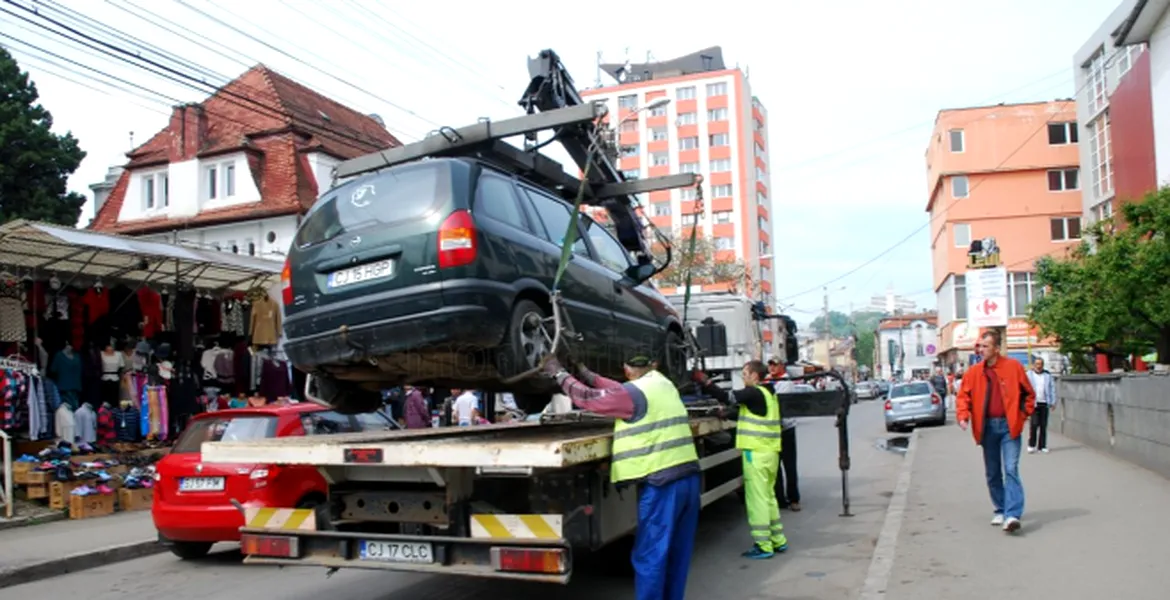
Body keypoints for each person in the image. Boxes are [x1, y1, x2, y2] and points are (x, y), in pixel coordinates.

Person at [542, 354, 701, 600]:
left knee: (650, 555)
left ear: (627, 371)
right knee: (677, 553)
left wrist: (559, 374)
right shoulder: (662, 384)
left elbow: (588, 399)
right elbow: (617, 390)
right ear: (651, 367)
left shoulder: (632, 395)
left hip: (663, 484)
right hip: (688, 478)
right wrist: (587, 375)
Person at [695, 360, 788, 559]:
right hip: (770, 452)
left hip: (756, 453)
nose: (743, 377)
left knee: (757, 500)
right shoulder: (768, 393)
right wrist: (725, 414)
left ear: (755, 376)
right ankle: (778, 540)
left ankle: (763, 545)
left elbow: (727, 396)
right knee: (768, 497)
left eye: (745, 373)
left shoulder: (753, 392)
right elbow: (748, 414)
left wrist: (705, 382)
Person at [956, 330, 1036, 533]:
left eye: (985, 346)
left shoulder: (1013, 367)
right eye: (979, 346)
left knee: (1010, 469)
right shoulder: (974, 372)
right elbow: (963, 396)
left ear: (996, 348)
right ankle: (1000, 508)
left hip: (1010, 427)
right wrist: (963, 416)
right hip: (987, 427)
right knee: (993, 472)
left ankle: (1012, 514)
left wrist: (1022, 416)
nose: (981, 350)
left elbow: (1028, 394)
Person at [765, 361, 800, 512]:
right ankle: (779, 499)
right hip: (772, 429)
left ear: (782, 367)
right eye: (770, 365)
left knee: (789, 465)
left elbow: (776, 399)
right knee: (775, 466)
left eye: (775, 365)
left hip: (785, 429)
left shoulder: (786, 382)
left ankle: (794, 498)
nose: (772, 368)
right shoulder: (768, 380)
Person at [1026, 358, 1056, 453]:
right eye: (1037, 364)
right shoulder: (1029, 375)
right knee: (1034, 424)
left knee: (1043, 425)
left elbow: (1052, 389)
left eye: (1040, 364)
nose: (1038, 366)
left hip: (1044, 402)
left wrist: (1053, 402)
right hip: (1033, 403)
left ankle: (1042, 446)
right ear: (1034, 365)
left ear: (1043, 365)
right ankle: (1031, 444)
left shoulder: (1047, 375)